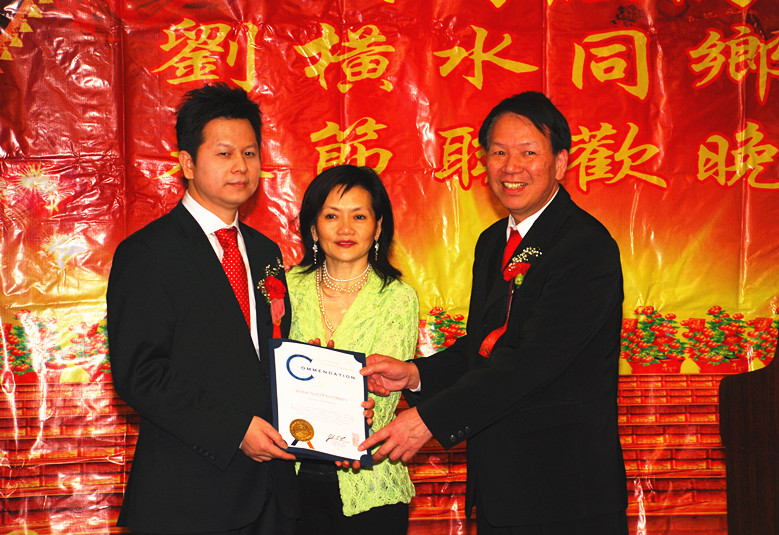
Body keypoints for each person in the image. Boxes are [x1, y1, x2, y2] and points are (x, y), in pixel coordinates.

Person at [360, 91, 629, 534]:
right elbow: (488, 345)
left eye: (528, 153)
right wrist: (415, 374)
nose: (511, 167)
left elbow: (532, 360)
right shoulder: (492, 242)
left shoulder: (585, 246)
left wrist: (429, 419)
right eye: (499, 152)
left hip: (565, 492)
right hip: (501, 486)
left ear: (560, 162)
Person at [107, 83, 298, 534]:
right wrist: (235, 430)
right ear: (188, 163)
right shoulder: (147, 253)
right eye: (224, 153)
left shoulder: (265, 252)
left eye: (250, 153)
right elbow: (140, 374)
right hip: (189, 498)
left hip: (272, 494)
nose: (241, 166)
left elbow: (272, 357)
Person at [285, 164, 418, 535]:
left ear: (378, 227)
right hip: (291, 482)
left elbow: (383, 399)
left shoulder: (397, 298)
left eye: (359, 216)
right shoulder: (287, 288)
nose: (345, 229)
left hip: (370, 483)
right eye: (332, 216)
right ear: (314, 228)